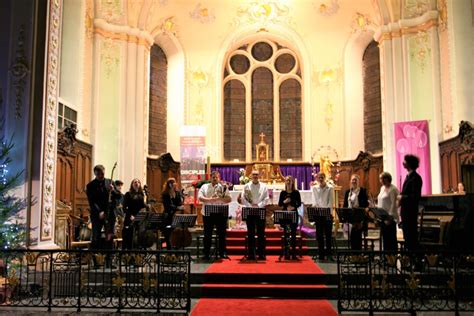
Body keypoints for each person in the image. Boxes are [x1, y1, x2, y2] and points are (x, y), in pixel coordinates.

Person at [86, 164, 119, 267]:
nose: (101, 175)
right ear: (95, 174)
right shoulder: (90, 185)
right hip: (97, 215)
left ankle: (109, 262)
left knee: (109, 237)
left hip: (110, 214)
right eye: (99, 174)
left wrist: (113, 190)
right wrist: (99, 212)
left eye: (103, 173)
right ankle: (96, 261)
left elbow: (118, 196)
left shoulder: (110, 182)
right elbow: (92, 202)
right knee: (96, 237)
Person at [198, 171, 232, 260]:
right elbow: (200, 197)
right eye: (213, 177)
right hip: (208, 213)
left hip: (221, 213)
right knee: (207, 234)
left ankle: (222, 253)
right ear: (210, 178)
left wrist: (219, 199)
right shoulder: (204, 187)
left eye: (216, 177)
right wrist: (210, 200)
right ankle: (206, 253)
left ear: (219, 178)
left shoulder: (223, 187)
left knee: (222, 234)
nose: (215, 178)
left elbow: (229, 199)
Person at [240, 170, 269, 260]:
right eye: (254, 175)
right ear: (251, 176)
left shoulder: (264, 186)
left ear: (259, 176)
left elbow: (267, 198)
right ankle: (251, 254)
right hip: (249, 210)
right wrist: (250, 205)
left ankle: (261, 254)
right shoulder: (246, 186)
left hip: (260, 210)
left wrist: (259, 205)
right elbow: (243, 198)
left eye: (257, 174)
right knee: (250, 233)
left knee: (261, 233)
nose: (255, 176)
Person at [398, 154, 423, 252]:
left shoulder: (415, 178)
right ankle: (409, 259)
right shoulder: (408, 177)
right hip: (405, 212)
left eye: (405, 161)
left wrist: (402, 197)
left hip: (410, 212)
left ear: (409, 163)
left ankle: (414, 260)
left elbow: (415, 197)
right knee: (407, 237)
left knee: (411, 237)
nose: (403, 162)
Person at [311, 172, 334, 260]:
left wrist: (324, 210)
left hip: (327, 214)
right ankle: (321, 254)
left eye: (322, 177)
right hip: (319, 215)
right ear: (317, 179)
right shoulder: (314, 188)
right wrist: (316, 207)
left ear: (324, 178)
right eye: (319, 177)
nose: (320, 179)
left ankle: (329, 254)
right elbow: (314, 201)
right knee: (319, 236)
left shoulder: (330, 188)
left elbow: (330, 202)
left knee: (328, 236)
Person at [278, 176, 301, 260]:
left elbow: (299, 203)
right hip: (286, 215)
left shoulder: (296, 192)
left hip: (293, 214)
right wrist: (284, 202)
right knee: (286, 234)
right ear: (285, 182)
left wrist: (292, 204)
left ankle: (294, 253)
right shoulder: (283, 193)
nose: (288, 182)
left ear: (292, 182)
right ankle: (287, 253)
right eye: (287, 180)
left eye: (290, 180)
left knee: (293, 234)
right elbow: (280, 204)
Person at [343, 174, 369, 250]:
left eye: (356, 180)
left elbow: (365, 204)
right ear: (350, 181)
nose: (354, 181)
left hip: (359, 216)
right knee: (351, 237)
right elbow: (345, 204)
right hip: (350, 216)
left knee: (357, 236)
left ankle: (358, 255)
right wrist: (345, 216)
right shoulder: (348, 192)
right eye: (353, 180)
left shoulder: (362, 191)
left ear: (358, 181)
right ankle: (353, 255)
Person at [377, 172, 400, 251]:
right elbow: (381, 201)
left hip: (390, 218)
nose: (382, 180)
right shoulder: (382, 188)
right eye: (380, 178)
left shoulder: (393, 189)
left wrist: (389, 217)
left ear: (388, 179)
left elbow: (394, 204)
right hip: (382, 216)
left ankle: (392, 259)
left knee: (391, 239)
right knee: (385, 239)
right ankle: (386, 258)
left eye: (383, 178)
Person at [122, 178, 146, 250]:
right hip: (130, 217)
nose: (137, 183)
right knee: (129, 237)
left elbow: (142, 206)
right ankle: (128, 253)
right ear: (132, 184)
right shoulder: (128, 194)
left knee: (138, 236)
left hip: (138, 218)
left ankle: (136, 254)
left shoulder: (141, 195)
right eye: (135, 182)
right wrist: (130, 215)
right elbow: (124, 208)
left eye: (138, 182)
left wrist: (148, 205)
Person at [161, 177, 184, 250]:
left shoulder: (177, 193)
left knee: (177, 233)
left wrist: (181, 197)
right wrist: (177, 208)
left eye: (173, 182)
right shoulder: (165, 194)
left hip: (176, 215)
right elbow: (168, 206)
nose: (172, 184)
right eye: (170, 183)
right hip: (167, 216)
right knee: (168, 234)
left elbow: (180, 203)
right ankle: (169, 250)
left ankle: (177, 250)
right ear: (168, 184)